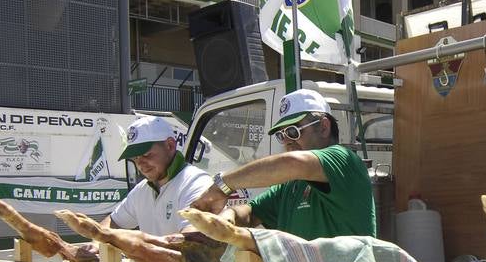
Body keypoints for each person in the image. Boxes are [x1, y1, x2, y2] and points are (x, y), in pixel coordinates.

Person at [190, 89, 375, 239]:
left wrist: (222, 185)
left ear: (324, 127)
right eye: (282, 135)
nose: (287, 141)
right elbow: (252, 212)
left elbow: (293, 163)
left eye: (294, 131)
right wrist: (228, 216)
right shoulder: (291, 186)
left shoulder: (343, 160)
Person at [105, 116, 211, 236]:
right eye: (135, 158)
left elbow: (193, 242)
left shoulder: (196, 183)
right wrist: (96, 242)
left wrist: (138, 246)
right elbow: (112, 222)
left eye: (146, 154)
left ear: (170, 145)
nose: (140, 164)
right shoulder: (142, 190)